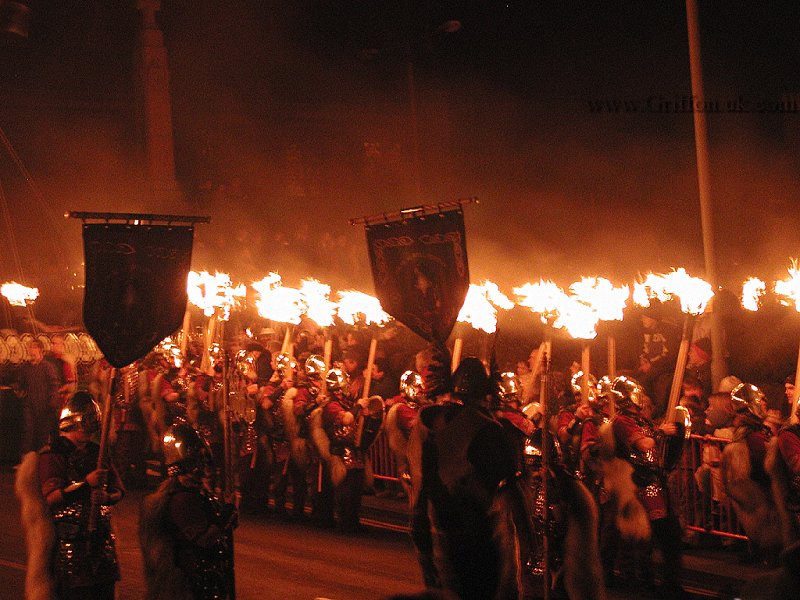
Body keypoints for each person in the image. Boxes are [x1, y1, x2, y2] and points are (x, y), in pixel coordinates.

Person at [407, 356, 534, 600]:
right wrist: (527, 535)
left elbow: (420, 491)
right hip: (475, 534)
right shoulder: (485, 428)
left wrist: (422, 546)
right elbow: (508, 487)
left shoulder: (426, 421)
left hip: (434, 528)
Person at [15, 392, 124, 600]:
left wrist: (106, 497)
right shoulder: (53, 454)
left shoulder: (97, 452)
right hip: (71, 545)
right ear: (74, 423)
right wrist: (86, 484)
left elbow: (118, 489)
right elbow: (52, 497)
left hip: (102, 544)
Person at [603, 375, 687, 598]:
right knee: (641, 540)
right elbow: (644, 444)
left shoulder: (642, 420)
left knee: (669, 536)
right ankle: (644, 584)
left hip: (654, 481)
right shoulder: (621, 422)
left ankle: (670, 583)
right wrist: (661, 432)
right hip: (637, 485)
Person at [139, 423, 237, 600]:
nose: (204, 463)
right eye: (199, 458)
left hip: (208, 580)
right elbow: (205, 540)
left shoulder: (199, 492)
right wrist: (226, 515)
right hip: (190, 586)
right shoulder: (181, 499)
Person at [721, 383, 782, 561]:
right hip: (759, 488)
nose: (764, 403)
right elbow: (760, 465)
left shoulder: (756, 431)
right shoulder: (751, 437)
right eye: (760, 401)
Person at [17, 339, 62, 455]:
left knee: (42, 434)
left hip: (44, 406)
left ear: (40, 350)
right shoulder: (25, 368)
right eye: (30, 347)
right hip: (29, 405)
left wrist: (52, 403)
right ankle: (26, 459)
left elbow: (54, 385)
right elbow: (20, 384)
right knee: (28, 431)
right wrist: (20, 392)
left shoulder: (47, 367)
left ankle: (40, 460)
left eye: (34, 347)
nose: (31, 350)